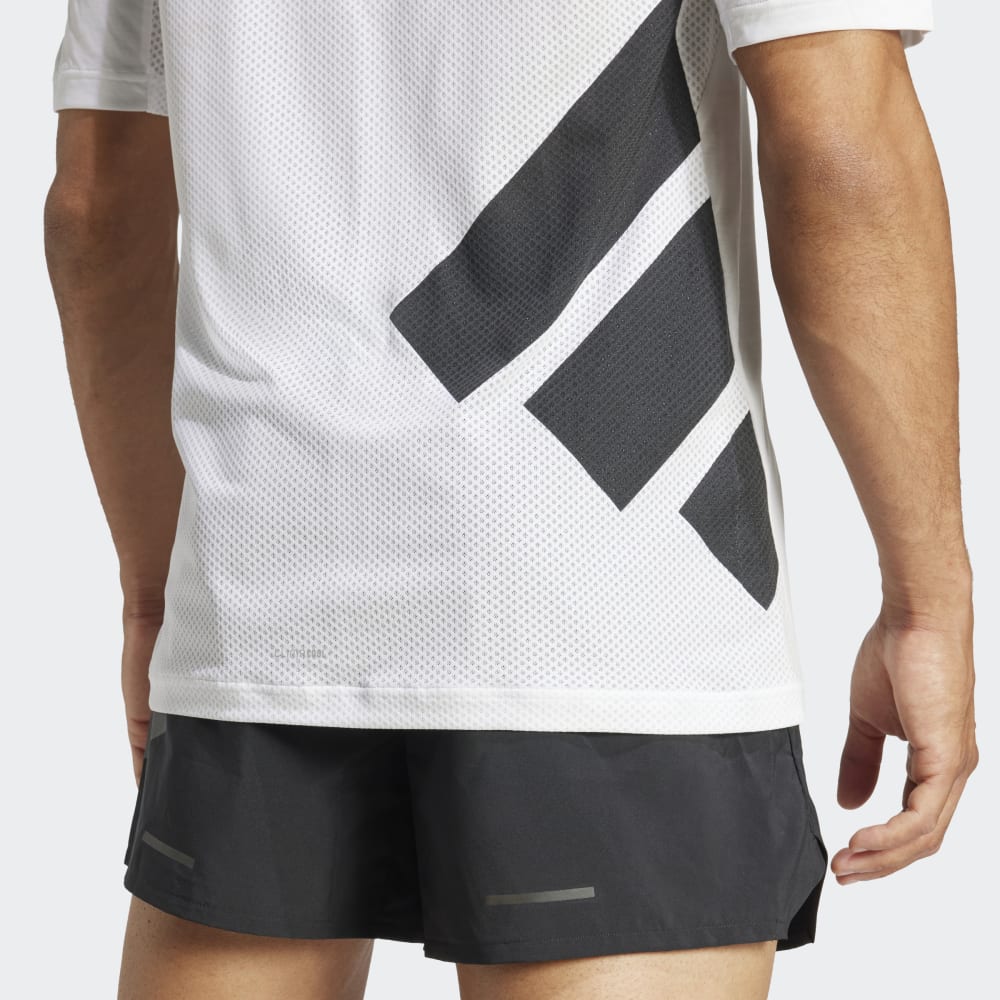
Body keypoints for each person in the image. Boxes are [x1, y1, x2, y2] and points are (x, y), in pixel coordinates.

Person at [44, 1, 977, 998]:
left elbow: (99, 203)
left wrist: (154, 588)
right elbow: (840, 129)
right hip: (606, 611)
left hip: (263, 589)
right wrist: (926, 600)